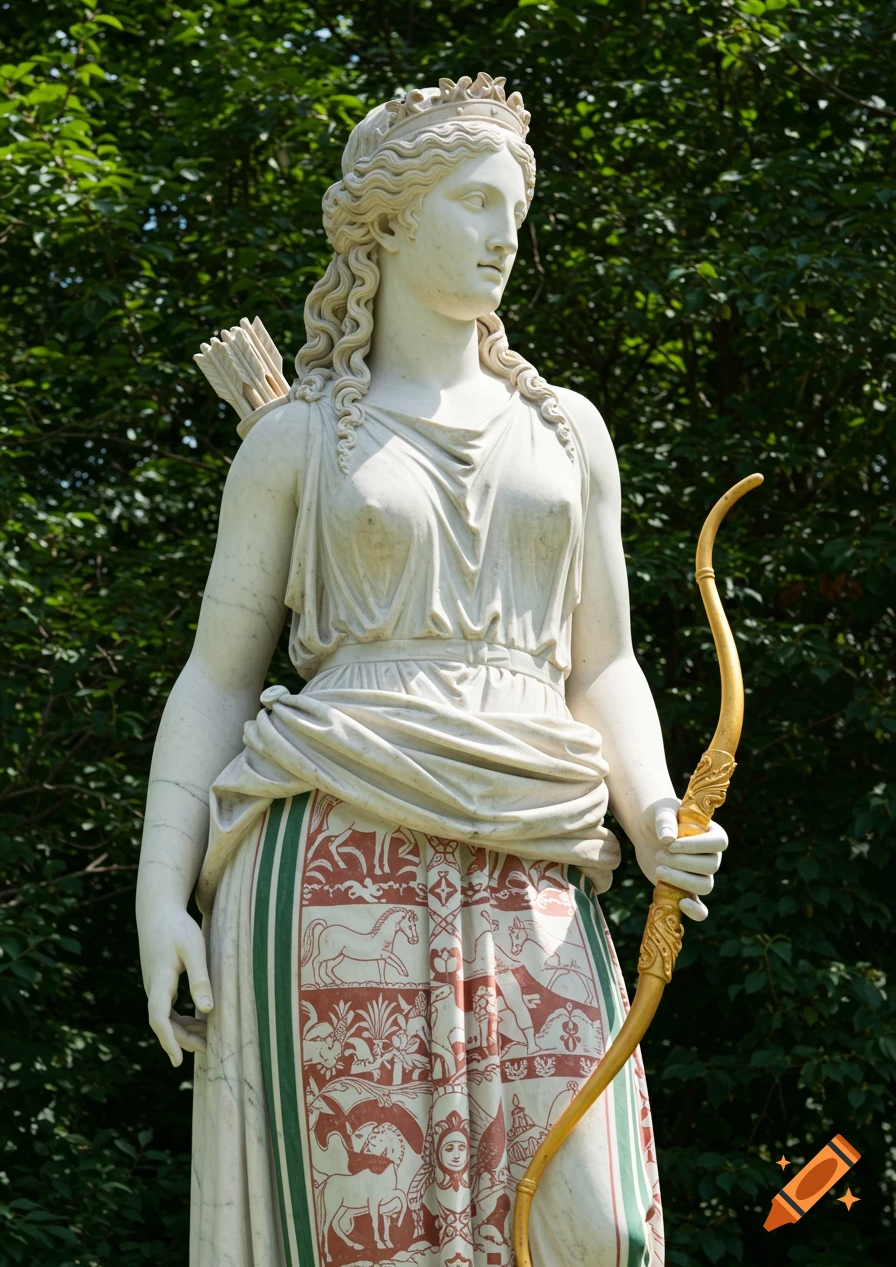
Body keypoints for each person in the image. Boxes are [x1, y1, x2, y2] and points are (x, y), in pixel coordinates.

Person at [136, 72, 728, 1267]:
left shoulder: (565, 429)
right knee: (366, 1222)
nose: (503, 234)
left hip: (531, 851)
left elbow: (600, 661)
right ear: (392, 223)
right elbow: (214, 676)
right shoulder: (298, 436)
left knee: (589, 1225)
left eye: (513, 207)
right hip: (331, 849)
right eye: (472, 202)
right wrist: (159, 894)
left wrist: (654, 806)